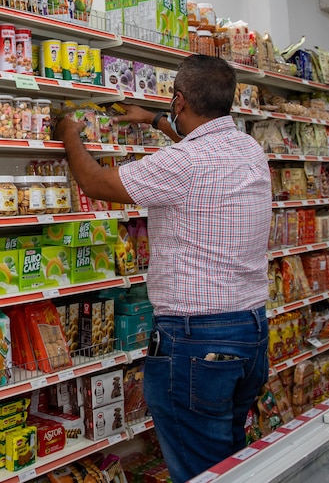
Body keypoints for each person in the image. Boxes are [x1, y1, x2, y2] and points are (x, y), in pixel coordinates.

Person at [54, 55, 271, 483]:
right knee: (228, 456)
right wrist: (156, 120)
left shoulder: (182, 165)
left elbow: (97, 183)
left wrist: (68, 136)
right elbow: (196, 146)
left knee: (201, 470)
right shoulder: (248, 148)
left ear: (179, 100)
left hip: (196, 342)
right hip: (251, 331)